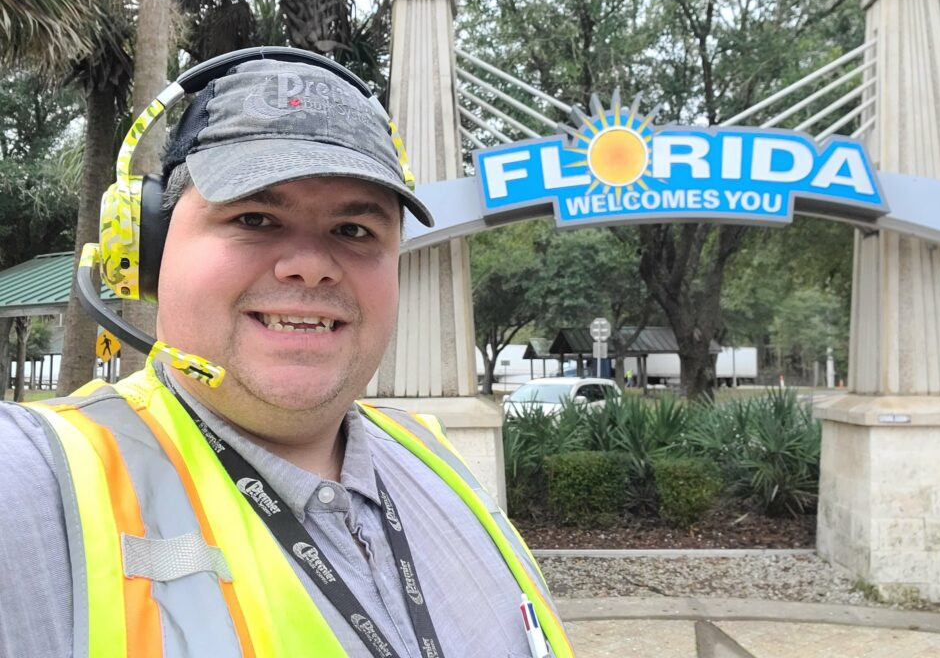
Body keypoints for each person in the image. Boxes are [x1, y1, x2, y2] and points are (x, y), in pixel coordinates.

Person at [0, 54, 571, 658]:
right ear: (145, 251)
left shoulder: (435, 458)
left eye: (353, 231)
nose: (311, 265)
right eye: (255, 217)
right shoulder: (40, 483)